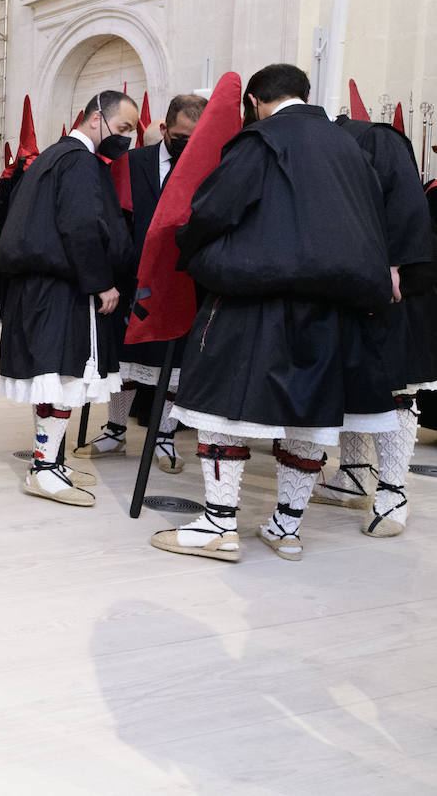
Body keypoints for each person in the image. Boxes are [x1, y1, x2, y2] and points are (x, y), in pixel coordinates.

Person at [154, 64, 394, 563]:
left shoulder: (261, 141)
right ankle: (286, 527)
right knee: (308, 419)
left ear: (257, 101)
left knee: (223, 410)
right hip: (333, 307)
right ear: (305, 95)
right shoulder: (349, 146)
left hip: (257, 299)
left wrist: (187, 246)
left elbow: (215, 210)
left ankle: (219, 525)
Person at [0, 91, 138, 506]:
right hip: (61, 288)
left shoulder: (55, 156)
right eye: (123, 128)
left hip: (43, 286)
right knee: (65, 378)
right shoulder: (77, 159)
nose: (125, 138)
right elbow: (80, 226)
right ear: (97, 119)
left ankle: (51, 461)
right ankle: (43, 468)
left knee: (55, 378)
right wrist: (101, 283)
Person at [308, 109, 435, 538]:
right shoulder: (313, 144)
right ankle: (355, 476)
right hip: (344, 286)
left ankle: (393, 493)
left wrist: (395, 264)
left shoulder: (373, 137)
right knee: (354, 387)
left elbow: (405, 203)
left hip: (390, 286)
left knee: (395, 389)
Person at [75, 94, 206, 473]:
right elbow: (107, 219)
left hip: (182, 280)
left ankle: (164, 436)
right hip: (130, 279)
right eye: (181, 136)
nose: (187, 145)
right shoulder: (131, 163)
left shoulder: (205, 166)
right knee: (124, 361)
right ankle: (115, 430)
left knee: (174, 364)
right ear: (164, 129)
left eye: (195, 138)